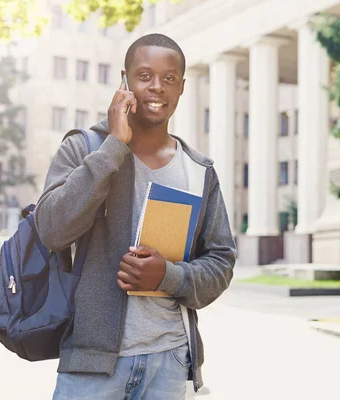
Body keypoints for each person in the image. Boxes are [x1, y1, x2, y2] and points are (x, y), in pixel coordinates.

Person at [34, 33, 236, 399]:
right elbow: (51, 229)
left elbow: (222, 261)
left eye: (168, 78)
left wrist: (168, 276)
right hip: (91, 368)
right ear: (124, 81)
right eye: (144, 76)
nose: (156, 87)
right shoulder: (84, 148)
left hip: (170, 363)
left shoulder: (199, 171)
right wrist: (114, 146)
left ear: (181, 87)